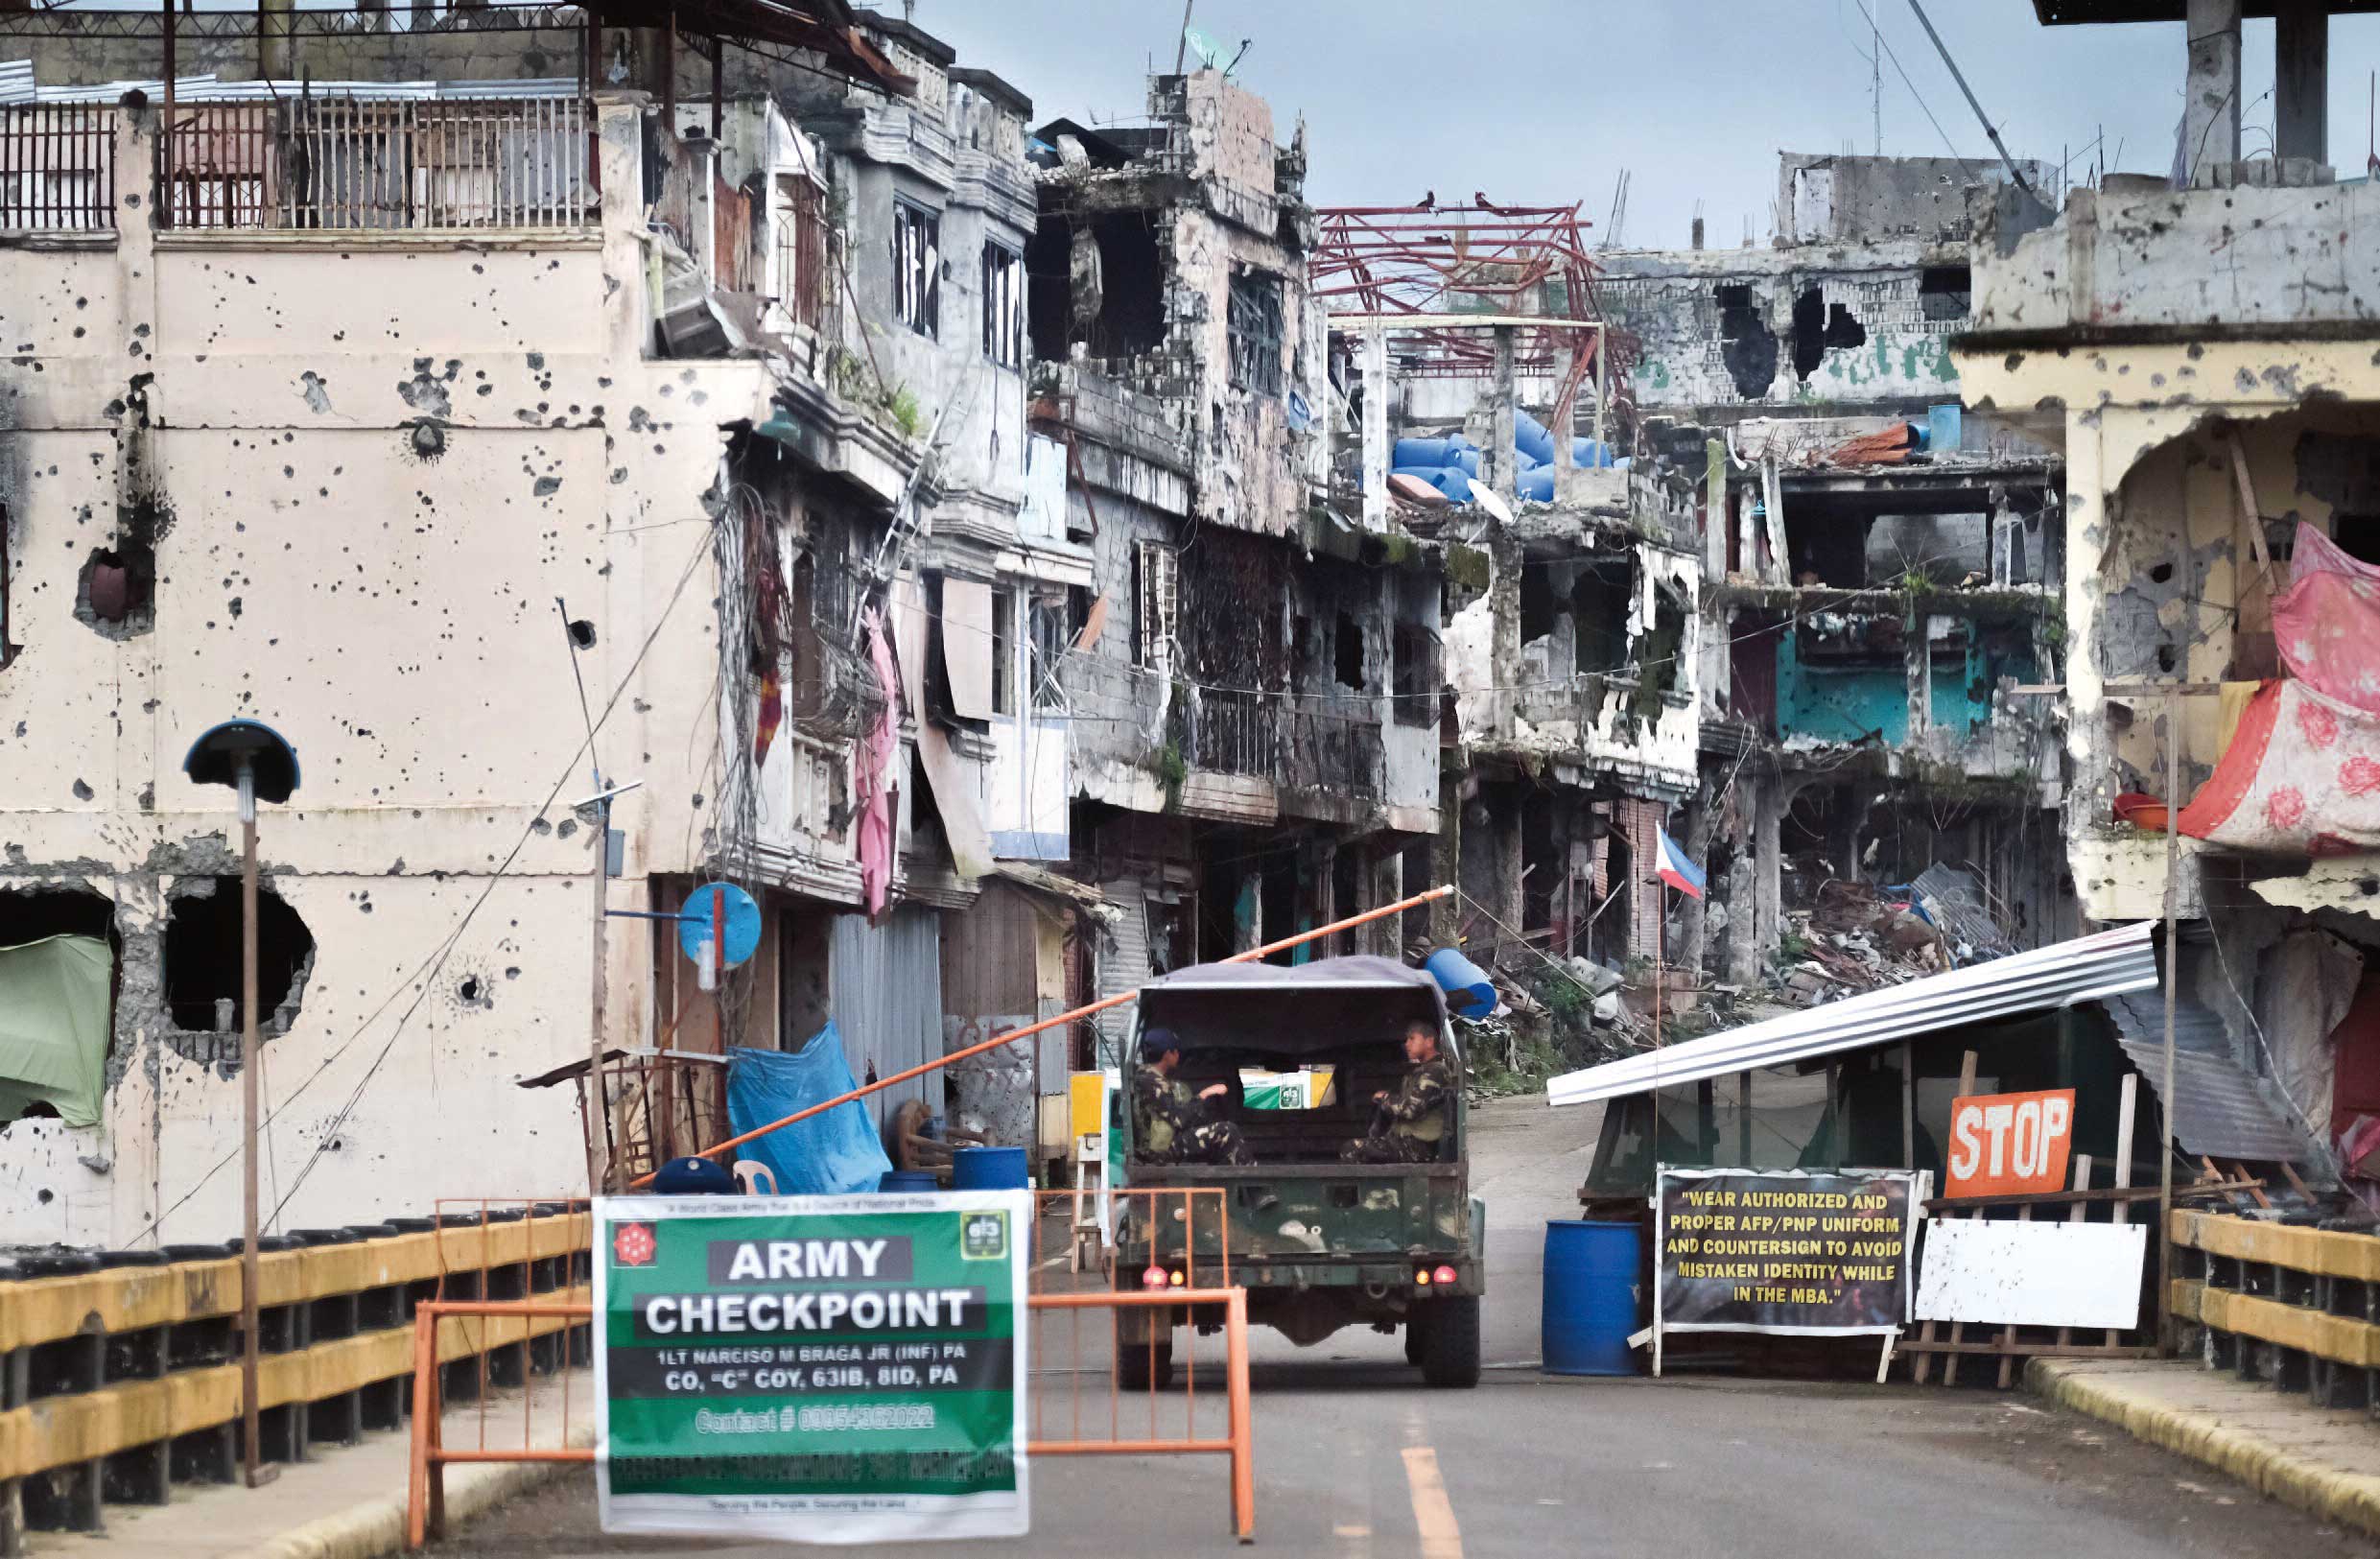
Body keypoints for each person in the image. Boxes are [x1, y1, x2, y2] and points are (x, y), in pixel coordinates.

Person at [1131, 1028, 1256, 1168]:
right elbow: (1178, 1120)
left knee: (1215, 1132)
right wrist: (1205, 1094)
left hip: (1163, 1144)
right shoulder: (1152, 1081)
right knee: (1227, 1130)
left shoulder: (1148, 1077)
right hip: (1160, 1152)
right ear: (1167, 1054)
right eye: (1175, 1050)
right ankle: (1255, 1182)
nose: (1178, 1054)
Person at [1343, 1020, 1454, 1164]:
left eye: (1412, 1038)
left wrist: (1385, 1098)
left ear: (1429, 1041)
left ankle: (1361, 1187)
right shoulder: (1420, 1072)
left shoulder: (1435, 1071)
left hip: (1418, 1147)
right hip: (1408, 1143)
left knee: (1351, 1149)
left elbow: (1410, 1110)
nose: (1407, 1044)